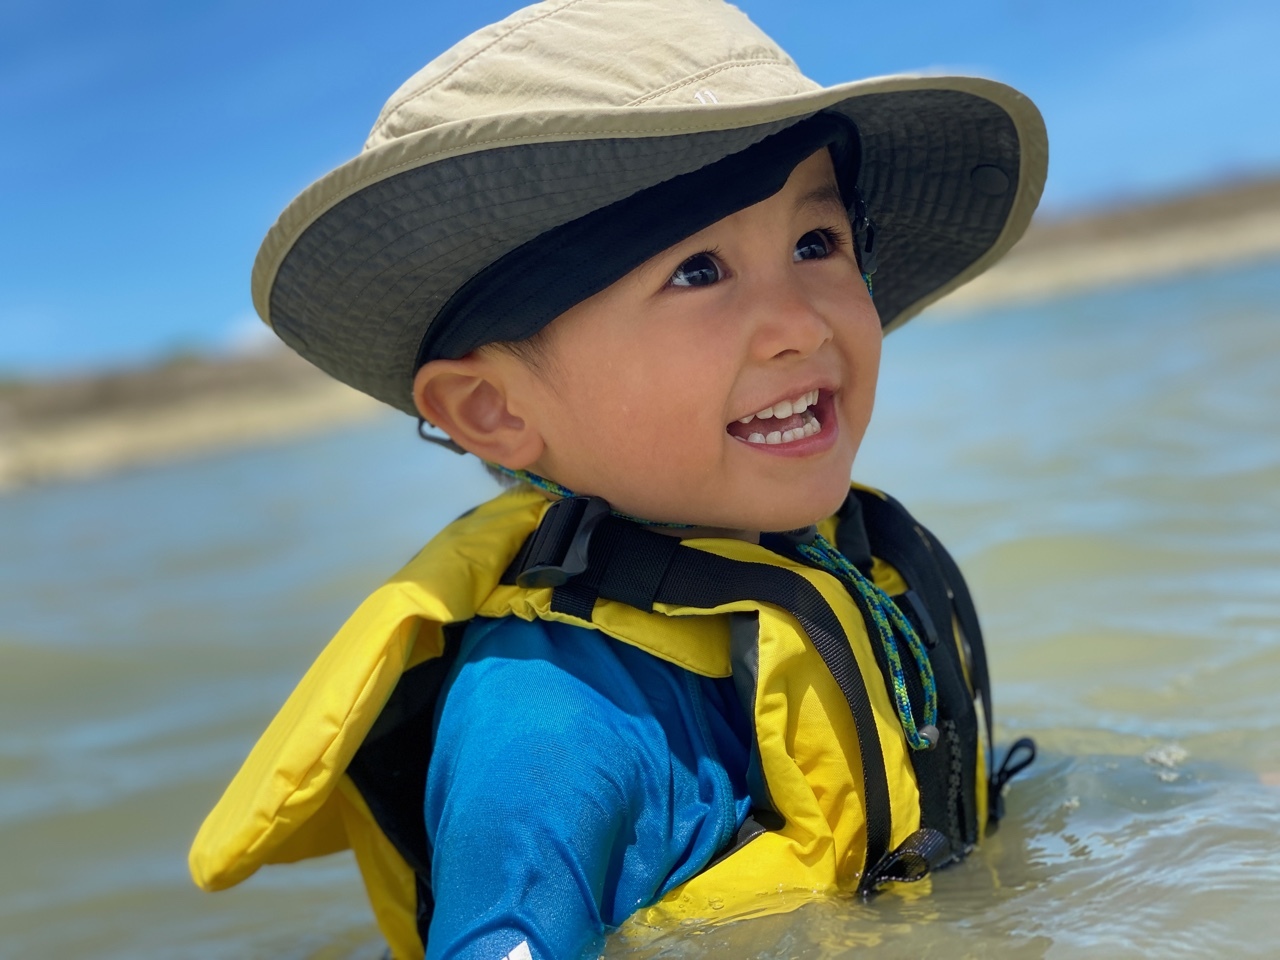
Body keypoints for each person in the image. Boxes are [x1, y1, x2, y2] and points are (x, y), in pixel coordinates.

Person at [189, 2, 1047, 958]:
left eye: (817, 244)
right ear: (494, 411)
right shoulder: (550, 729)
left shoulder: (851, 575)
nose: (799, 323)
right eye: (698, 271)